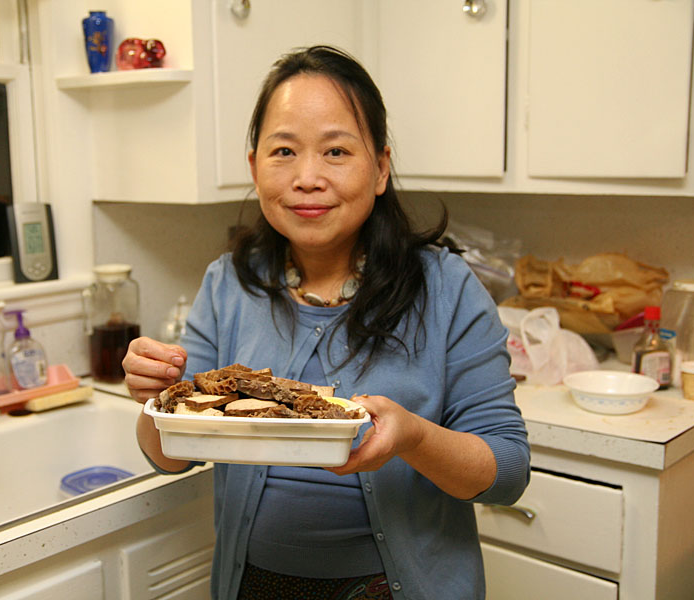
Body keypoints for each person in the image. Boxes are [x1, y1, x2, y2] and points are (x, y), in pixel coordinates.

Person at [123, 45, 530, 600]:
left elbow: (507, 471)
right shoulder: (228, 284)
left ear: (380, 168)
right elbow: (171, 453)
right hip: (254, 585)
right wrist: (156, 399)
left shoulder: (446, 289)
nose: (307, 177)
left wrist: (414, 438)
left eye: (336, 151)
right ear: (254, 167)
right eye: (284, 151)